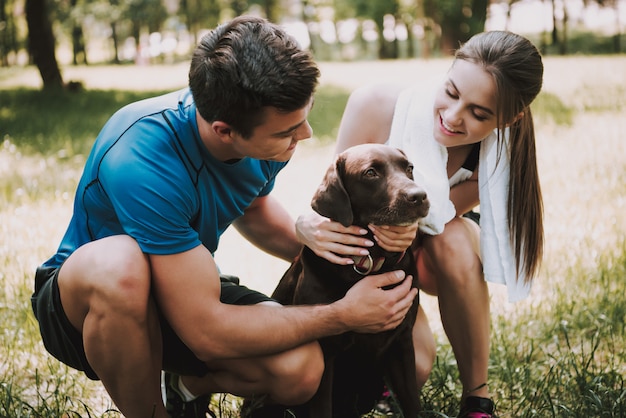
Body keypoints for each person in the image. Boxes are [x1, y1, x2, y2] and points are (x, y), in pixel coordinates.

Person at [30, 15, 419, 418]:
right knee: (120, 264)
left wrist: (328, 244)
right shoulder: (142, 158)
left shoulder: (264, 135)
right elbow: (206, 334)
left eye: (305, 116)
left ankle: (186, 384)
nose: (303, 135)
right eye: (288, 130)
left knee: (301, 369)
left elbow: (252, 207)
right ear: (224, 131)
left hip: (182, 286)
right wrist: (342, 315)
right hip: (87, 304)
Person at [296, 30, 544, 417]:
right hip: (375, 257)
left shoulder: (496, 156)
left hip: (430, 258)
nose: (453, 116)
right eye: (451, 91)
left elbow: (440, 218)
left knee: (452, 238)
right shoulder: (376, 104)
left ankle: (478, 397)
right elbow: (337, 193)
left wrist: (410, 230)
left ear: (509, 119)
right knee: (417, 367)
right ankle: (367, 371)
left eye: (479, 114)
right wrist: (305, 224)